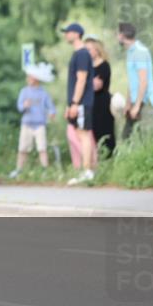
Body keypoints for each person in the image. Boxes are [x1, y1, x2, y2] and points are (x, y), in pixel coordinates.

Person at [117, 22, 153, 141]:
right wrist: (128, 103)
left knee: (151, 139)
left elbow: (143, 81)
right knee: (126, 138)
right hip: (135, 101)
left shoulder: (140, 52)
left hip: (146, 103)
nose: (117, 36)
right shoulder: (130, 52)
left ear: (122, 35)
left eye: (118, 33)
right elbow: (132, 81)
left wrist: (137, 106)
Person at [61, 23, 96, 185]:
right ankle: (86, 170)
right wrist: (69, 105)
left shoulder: (82, 54)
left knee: (83, 134)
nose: (66, 35)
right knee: (80, 133)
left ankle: (88, 170)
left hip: (82, 102)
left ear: (76, 34)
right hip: (77, 103)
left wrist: (75, 103)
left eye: (68, 32)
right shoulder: (77, 54)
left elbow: (81, 80)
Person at [10, 62, 56, 178]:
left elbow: (51, 107)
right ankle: (19, 170)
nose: (28, 79)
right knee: (23, 148)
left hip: (40, 124)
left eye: (30, 77)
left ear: (36, 79)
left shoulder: (43, 93)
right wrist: (25, 105)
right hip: (27, 124)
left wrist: (51, 113)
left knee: (42, 148)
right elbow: (20, 107)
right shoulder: (24, 91)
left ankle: (45, 171)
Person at [84, 36, 116, 159]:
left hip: (102, 103)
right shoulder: (87, 67)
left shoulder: (104, 65)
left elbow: (97, 86)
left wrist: (85, 83)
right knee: (92, 134)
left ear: (97, 50)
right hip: (90, 104)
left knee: (105, 132)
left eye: (89, 49)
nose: (87, 52)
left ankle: (109, 160)